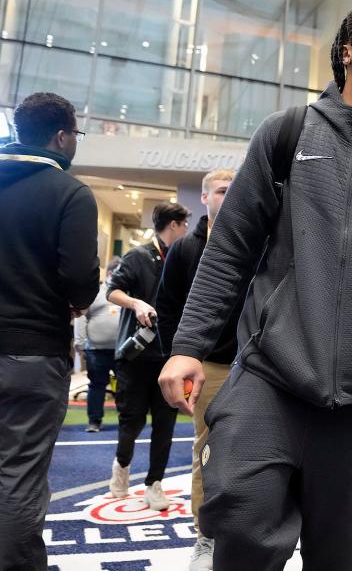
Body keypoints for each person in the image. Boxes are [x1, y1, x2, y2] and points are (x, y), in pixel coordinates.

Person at [158, 4, 352, 571]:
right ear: (346, 52)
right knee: (238, 524)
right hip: (272, 378)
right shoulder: (289, 131)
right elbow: (230, 249)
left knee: (340, 556)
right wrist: (188, 346)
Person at [0, 92, 100, 569]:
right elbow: (81, 282)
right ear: (61, 137)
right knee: (18, 474)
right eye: (76, 134)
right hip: (32, 353)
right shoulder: (69, 193)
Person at [156, 168, 236, 570]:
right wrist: (180, 356)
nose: (230, 195)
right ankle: (206, 536)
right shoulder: (186, 249)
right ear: (204, 198)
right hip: (209, 366)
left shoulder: (258, 240)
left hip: (258, 364)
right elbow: (167, 306)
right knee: (207, 450)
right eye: (222, 190)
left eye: (235, 189)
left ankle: (254, 528)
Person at [106, 201, 191, 510]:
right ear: (173, 225)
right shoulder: (137, 256)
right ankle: (122, 467)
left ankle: (154, 484)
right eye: (184, 224)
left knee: (165, 425)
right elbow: (112, 291)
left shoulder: (182, 258)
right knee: (132, 422)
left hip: (169, 357)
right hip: (135, 358)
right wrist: (137, 303)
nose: (186, 230)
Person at [75, 256, 122, 432]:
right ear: (111, 273)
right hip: (96, 350)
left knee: (126, 386)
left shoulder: (126, 293)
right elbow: (81, 318)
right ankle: (94, 421)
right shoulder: (96, 293)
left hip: (122, 350)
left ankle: (126, 421)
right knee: (96, 385)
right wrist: (79, 342)